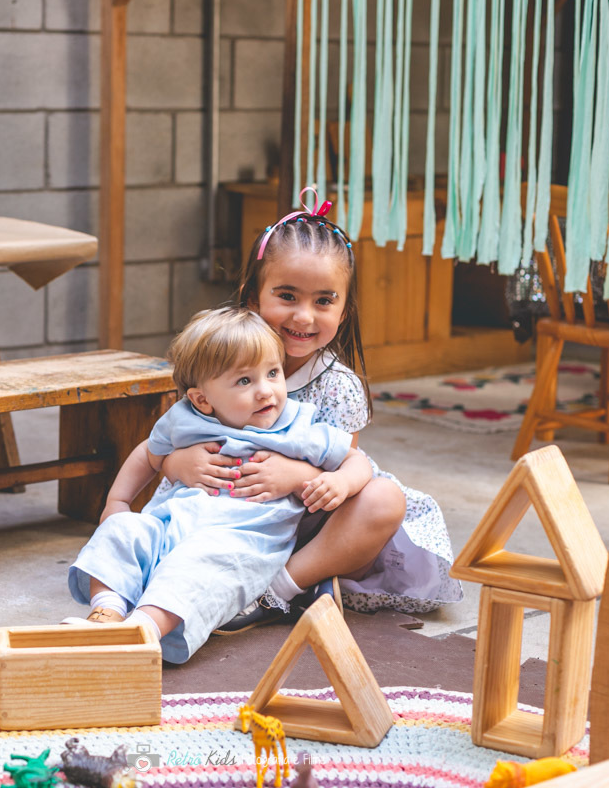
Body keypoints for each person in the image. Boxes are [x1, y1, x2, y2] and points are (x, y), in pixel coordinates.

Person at [160, 191, 464, 632]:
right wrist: (175, 461)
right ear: (251, 296)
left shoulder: (340, 386)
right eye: (287, 295)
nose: (304, 316)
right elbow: (173, 435)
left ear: (344, 311)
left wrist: (297, 476)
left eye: (324, 301)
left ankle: (280, 590)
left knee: (383, 498)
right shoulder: (221, 362)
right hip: (232, 516)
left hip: (309, 526)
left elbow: (346, 470)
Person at [65, 307, 373, 664]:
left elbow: (356, 459)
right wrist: (117, 502)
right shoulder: (186, 419)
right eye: (245, 381)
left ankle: (143, 631)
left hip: (240, 540)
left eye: (273, 373)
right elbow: (147, 454)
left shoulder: (295, 428)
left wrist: (340, 480)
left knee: (198, 566)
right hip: (168, 524)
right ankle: (106, 614)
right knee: (122, 531)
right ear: (202, 399)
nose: (265, 391)